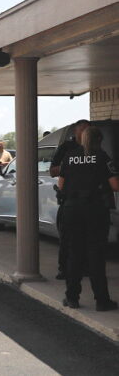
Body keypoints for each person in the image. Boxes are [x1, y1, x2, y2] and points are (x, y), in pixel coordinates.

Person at [58, 126, 119, 311]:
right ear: (98, 140)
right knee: (96, 255)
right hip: (95, 209)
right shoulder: (102, 157)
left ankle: (72, 297)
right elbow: (115, 186)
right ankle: (101, 300)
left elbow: (61, 185)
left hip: (72, 209)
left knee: (74, 253)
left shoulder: (69, 156)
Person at [50, 119, 90, 280]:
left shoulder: (95, 149)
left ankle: (87, 267)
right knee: (67, 238)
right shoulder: (67, 148)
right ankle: (64, 269)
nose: (88, 134)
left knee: (89, 238)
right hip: (70, 200)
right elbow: (53, 171)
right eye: (85, 130)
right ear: (76, 132)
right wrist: (72, 165)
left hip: (91, 201)